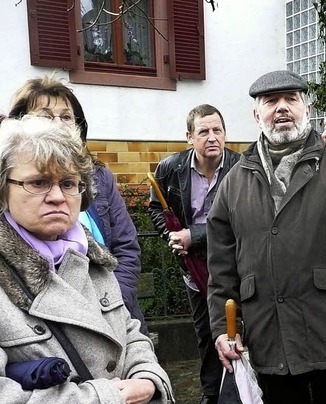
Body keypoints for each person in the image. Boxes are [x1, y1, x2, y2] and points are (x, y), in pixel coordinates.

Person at [207, 70, 326, 404]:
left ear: (306, 110)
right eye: (271, 101)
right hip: (271, 342)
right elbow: (221, 269)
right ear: (257, 115)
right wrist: (224, 329)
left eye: (291, 99)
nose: (282, 107)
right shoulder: (235, 181)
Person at [0, 116, 173, 403]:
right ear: (4, 190)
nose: (57, 196)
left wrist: (148, 378)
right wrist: (106, 397)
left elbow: (129, 331)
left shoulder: (91, 257)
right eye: (39, 182)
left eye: (69, 183)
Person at [7, 76, 148, 334]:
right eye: (47, 116)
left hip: (114, 315)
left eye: (66, 117)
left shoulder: (100, 176)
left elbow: (126, 247)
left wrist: (111, 305)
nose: (59, 125)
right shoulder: (11, 182)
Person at [148, 104, 240, 404]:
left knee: (243, 330)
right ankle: (211, 394)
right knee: (206, 334)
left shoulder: (241, 169)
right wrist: (172, 237)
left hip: (235, 267)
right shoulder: (170, 168)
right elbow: (156, 208)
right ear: (190, 137)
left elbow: (243, 220)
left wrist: (194, 236)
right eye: (204, 131)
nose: (212, 137)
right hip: (195, 270)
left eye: (218, 130)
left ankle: (243, 390)